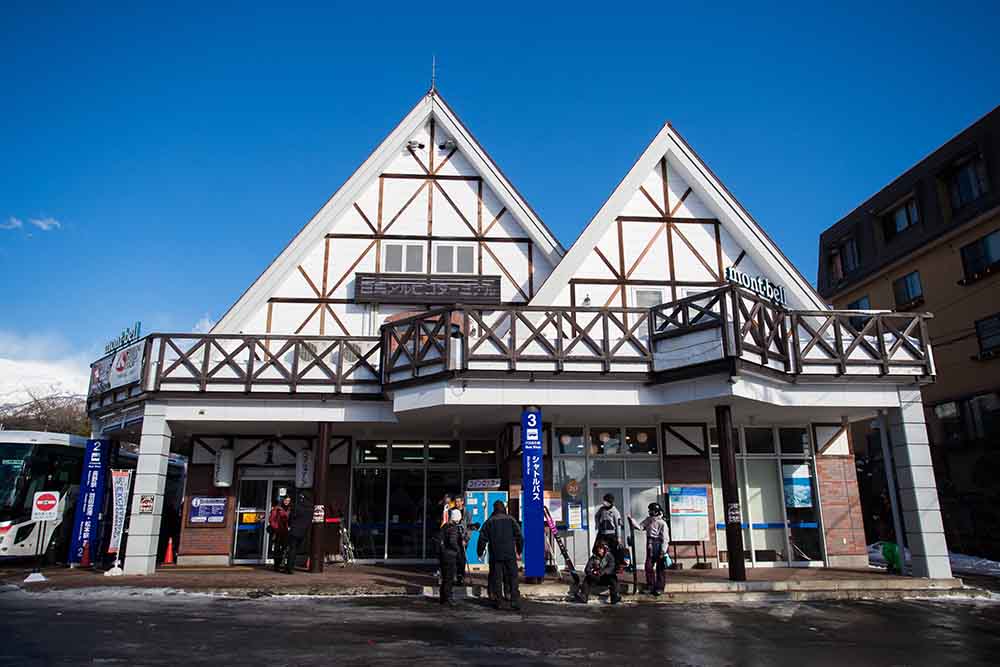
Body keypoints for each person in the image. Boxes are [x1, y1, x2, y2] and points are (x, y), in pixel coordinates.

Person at [477, 500, 524, 610]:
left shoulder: (489, 521)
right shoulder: (511, 519)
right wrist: (519, 550)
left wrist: (480, 552)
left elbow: (482, 538)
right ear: (504, 508)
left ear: (494, 509)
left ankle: (498, 601)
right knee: (513, 577)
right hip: (509, 554)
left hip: (495, 554)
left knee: (497, 578)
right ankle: (514, 601)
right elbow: (519, 536)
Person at [629, 502, 668, 596]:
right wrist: (632, 521)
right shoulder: (648, 520)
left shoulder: (662, 523)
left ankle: (659, 587)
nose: (650, 512)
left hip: (659, 543)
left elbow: (666, 538)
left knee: (660, 567)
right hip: (650, 543)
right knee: (648, 566)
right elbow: (641, 527)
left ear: (656, 511)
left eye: (652, 510)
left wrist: (663, 550)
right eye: (649, 510)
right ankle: (650, 585)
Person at [575, 540, 620, 604]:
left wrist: (602, 571)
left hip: (606, 578)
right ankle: (583, 596)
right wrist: (592, 573)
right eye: (598, 548)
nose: (599, 550)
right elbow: (587, 569)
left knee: (613, 578)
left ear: (605, 549)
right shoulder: (593, 558)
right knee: (587, 579)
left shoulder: (609, 557)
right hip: (596, 578)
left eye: (601, 548)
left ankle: (615, 596)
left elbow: (611, 567)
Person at [439, 509, 464, 606]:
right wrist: (458, 550)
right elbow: (452, 541)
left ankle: (443, 597)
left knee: (445, 577)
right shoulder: (454, 528)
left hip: (443, 555)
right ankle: (448, 598)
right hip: (450, 556)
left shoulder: (445, 526)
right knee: (449, 578)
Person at [594, 493, 624, 570]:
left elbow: (618, 525)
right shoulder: (602, 509)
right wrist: (598, 525)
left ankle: (614, 567)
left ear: (610, 502)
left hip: (611, 534)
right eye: (604, 501)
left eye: (606, 501)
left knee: (613, 551)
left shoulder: (615, 511)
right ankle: (599, 565)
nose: (604, 503)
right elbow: (596, 516)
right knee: (597, 549)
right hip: (602, 533)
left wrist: (619, 538)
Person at [286, 492, 313, 574]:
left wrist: (290, 525)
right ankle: (291, 566)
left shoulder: (297, 507)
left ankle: (289, 567)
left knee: (292, 549)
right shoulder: (310, 509)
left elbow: (290, 518)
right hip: (303, 532)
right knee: (295, 550)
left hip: (294, 531)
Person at [269, 495, 291, 572]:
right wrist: (276, 528)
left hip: (286, 532)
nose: (287, 502)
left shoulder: (289, 509)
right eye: (286, 500)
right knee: (277, 549)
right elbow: (272, 520)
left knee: (285, 549)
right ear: (283, 500)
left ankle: (282, 564)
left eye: (288, 501)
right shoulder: (277, 509)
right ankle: (277, 565)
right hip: (278, 531)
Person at [453, 495, 468, 585]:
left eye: (459, 501)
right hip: (453, 537)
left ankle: (461, 576)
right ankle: (454, 576)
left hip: (463, 538)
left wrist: (466, 539)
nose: (457, 503)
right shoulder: (453, 511)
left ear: (462, 502)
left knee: (462, 558)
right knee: (454, 558)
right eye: (456, 501)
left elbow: (469, 527)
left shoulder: (467, 512)